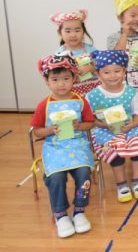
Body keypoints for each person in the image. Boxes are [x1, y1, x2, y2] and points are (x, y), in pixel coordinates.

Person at [31, 54, 95, 238]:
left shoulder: (81, 101)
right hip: (55, 147)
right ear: (47, 81)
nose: (61, 84)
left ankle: (79, 211)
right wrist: (50, 130)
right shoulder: (43, 105)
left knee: (83, 173)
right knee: (56, 177)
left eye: (66, 78)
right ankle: (60, 215)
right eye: (55, 80)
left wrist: (79, 126)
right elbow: (37, 131)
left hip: (77, 144)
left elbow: (90, 123)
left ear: (74, 78)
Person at [86, 50, 138, 203]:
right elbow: (90, 119)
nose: (112, 75)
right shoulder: (92, 95)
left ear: (124, 71)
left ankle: (136, 180)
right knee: (115, 151)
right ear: (98, 73)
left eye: (117, 71)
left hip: (130, 127)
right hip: (104, 131)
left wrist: (133, 124)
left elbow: (137, 113)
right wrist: (104, 125)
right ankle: (121, 184)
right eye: (106, 72)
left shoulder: (130, 92)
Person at [107, 0, 138, 135]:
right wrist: (124, 33)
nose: (137, 19)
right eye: (133, 15)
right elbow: (116, 55)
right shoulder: (114, 37)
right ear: (120, 17)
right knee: (127, 110)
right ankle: (125, 136)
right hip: (124, 84)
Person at [51, 9, 101, 96]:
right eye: (68, 31)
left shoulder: (91, 50)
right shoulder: (59, 53)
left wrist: (91, 68)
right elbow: (57, 74)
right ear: (60, 33)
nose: (73, 35)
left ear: (83, 32)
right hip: (71, 91)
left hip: (93, 90)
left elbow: (103, 66)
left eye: (77, 30)